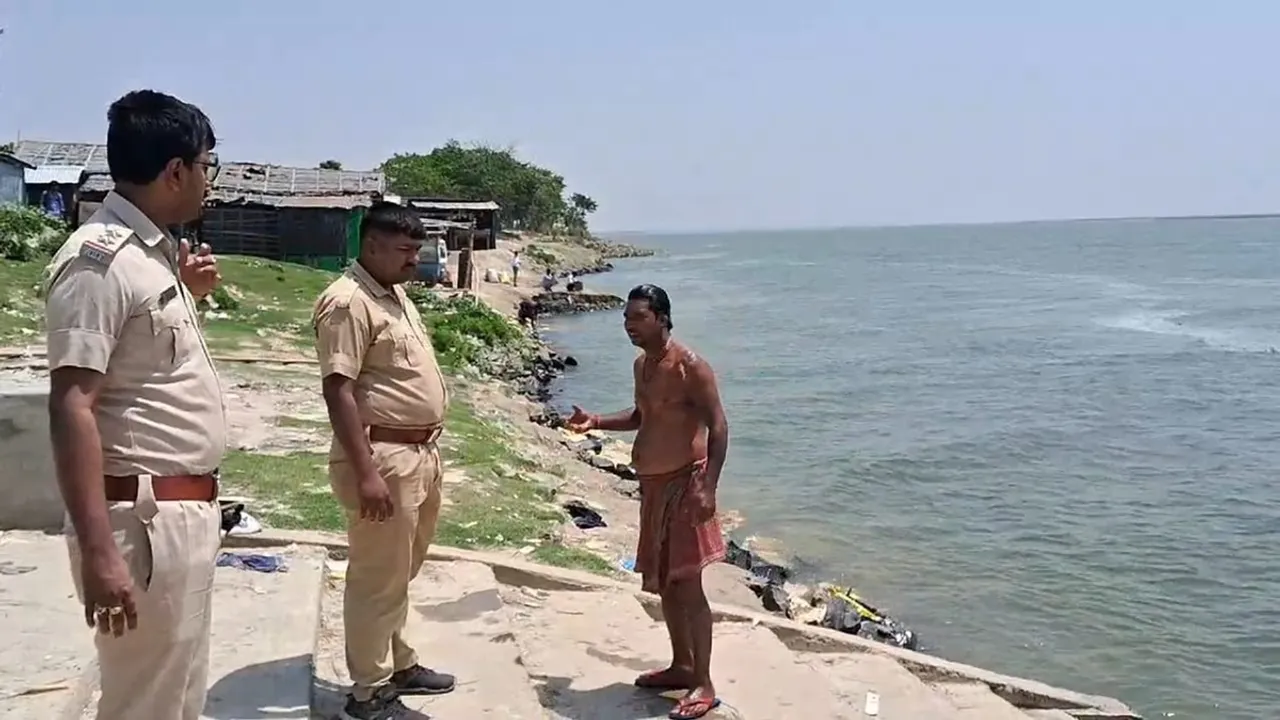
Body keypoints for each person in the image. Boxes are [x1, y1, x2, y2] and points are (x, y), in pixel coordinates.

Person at [43, 89, 224, 720]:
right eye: (208, 165)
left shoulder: (152, 255)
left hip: (180, 514)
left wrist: (189, 293)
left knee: (175, 697)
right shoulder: (101, 261)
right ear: (176, 170)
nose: (210, 181)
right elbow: (72, 404)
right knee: (144, 704)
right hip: (142, 522)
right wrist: (100, 553)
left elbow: (141, 367)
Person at [313, 201, 456, 720]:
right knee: (377, 575)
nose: (413, 260)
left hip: (419, 452)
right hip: (383, 457)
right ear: (370, 246)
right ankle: (368, 692)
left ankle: (399, 662)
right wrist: (367, 472)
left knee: (401, 569)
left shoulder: (393, 295)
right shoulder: (349, 302)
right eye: (404, 250)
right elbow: (338, 390)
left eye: (416, 250)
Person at [566, 284, 730, 720]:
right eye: (626, 318)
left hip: (685, 484)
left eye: (638, 317)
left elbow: (719, 426)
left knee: (689, 584)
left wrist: (708, 487)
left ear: (662, 318)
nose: (629, 326)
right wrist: (596, 421)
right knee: (666, 583)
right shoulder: (643, 366)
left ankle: (704, 683)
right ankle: (681, 665)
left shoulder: (691, 367)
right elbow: (643, 417)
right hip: (652, 487)